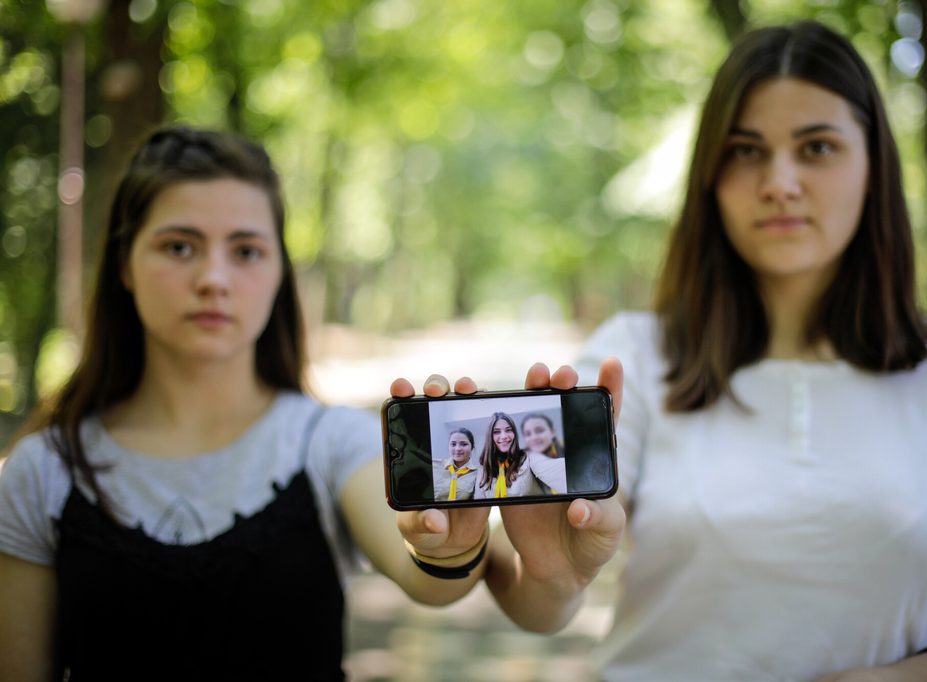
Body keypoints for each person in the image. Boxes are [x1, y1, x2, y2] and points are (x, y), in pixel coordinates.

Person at [0, 127, 622, 680]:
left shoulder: (327, 442)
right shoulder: (41, 473)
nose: (214, 277)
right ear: (125, 267)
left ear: (277, 275)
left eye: (246, 251)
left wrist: (450, 547)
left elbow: (425, 580)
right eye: (179, 246)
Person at [564, 20, 927, 682]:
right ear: (711, 178)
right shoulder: (629, 356)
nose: (779, 182)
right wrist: (541, 556)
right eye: (747, 151)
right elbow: (541, 591)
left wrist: (925, 675)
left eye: (816, 147)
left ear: (873, 163)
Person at [475, 412, 539, 498]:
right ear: (490, 437)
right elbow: (479, 499)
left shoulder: (528, 457)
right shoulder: (483, 467)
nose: (504, 436)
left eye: (508, 430)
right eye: (497, 432)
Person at [521, 413, 567, 494]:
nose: (534, 437)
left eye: (539, 431)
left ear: (552, 432)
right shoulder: (523, 464)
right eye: (528, 434)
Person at [433, 427, 478, 501]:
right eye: (453, 444)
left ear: (472, 447)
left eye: (463, 444)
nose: (457, 449)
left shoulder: (478, 474)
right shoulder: (434, 465)